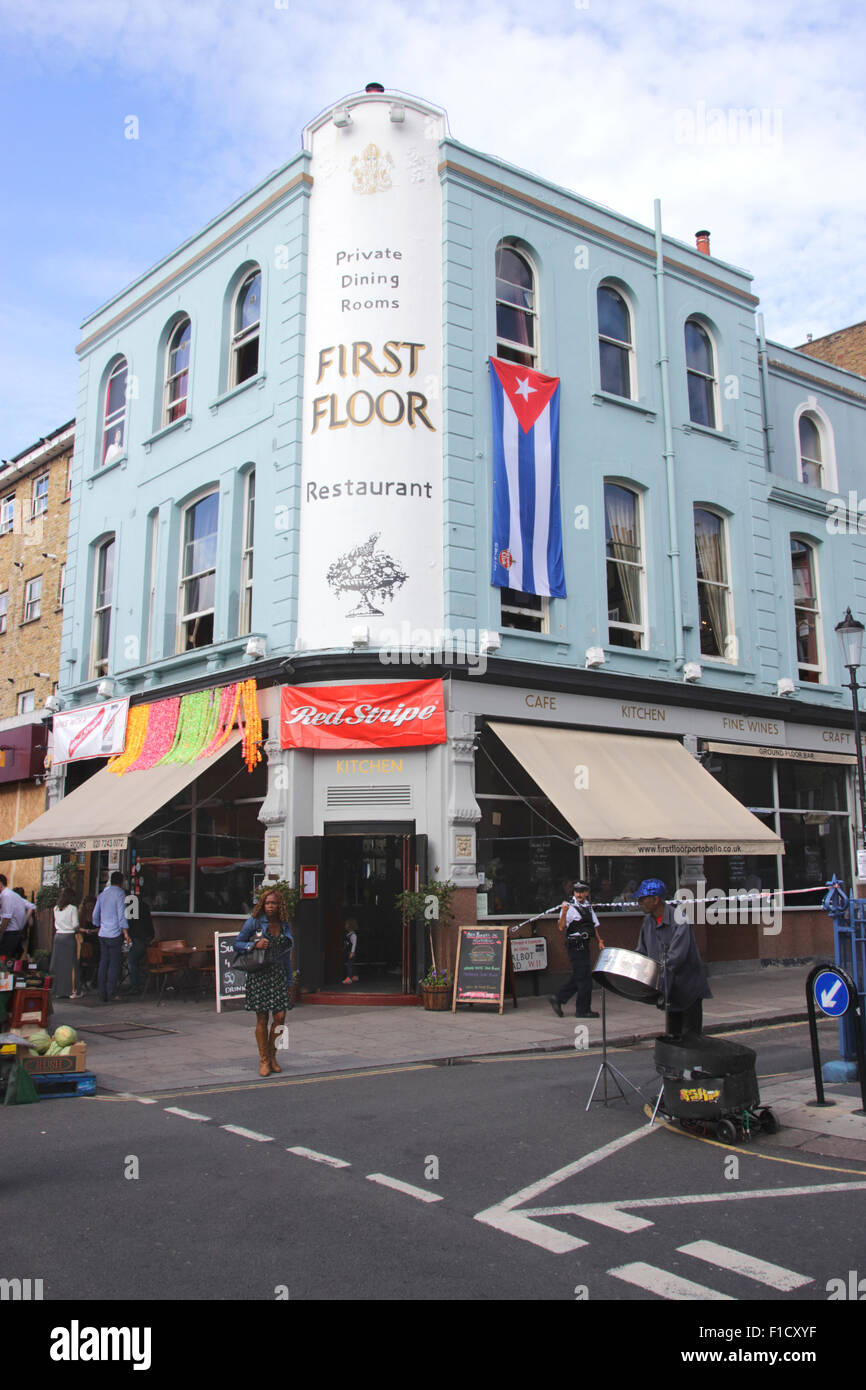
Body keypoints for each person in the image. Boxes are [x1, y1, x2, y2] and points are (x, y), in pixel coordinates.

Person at [634, 877, 712, 1036]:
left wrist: (656, 979)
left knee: (690, 1040)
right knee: (673, 1037)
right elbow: (642, 951)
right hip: (670, 989)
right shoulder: (647, 921)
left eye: (642, 899)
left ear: (656, 899)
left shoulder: (680, 920)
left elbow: (675, 959)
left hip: (688, 988)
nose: (639, 902)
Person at [234, 886, 295, 1077]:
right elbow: (237, 944)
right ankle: (264, 1060)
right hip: (259, 973)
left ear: (279, 906)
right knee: (262, 1018)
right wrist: (254, 944)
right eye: (267, 903)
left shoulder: (284, 925)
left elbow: (286, 956)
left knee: (280, 1018)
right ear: (263, 904)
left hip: (277, 974)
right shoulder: (254, 922)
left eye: (274, 903)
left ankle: (273, 1055)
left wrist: (290, 980)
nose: (270, 906)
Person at [549, 880, 605, 1019]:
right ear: (573, 892)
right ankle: (582, 1010)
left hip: (584, 944)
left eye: (582, 891)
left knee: (581, 976)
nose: (579, 894)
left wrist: (600, 941)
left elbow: (594, 926)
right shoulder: (569, 906)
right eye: (577, 891)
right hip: (575, 945)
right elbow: (561, 927)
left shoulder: (588, 906)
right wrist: (564, 912)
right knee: (585, 979)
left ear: (587, 892)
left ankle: (558, 997)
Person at [92, 872, 131, 1002]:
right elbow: (121, 914)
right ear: (121, 881)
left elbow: (95, 914)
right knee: (114, 964)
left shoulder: (103, 894)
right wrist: (125, 932)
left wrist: (98, 924)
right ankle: (111, 993)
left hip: (102, 933)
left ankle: (101, 992)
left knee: (103, 962)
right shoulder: (119, 894)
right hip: (114, 933)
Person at [49, 888, 82, 999]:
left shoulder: (56, 908)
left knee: (59, 964)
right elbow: (75, 925)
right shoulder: (73, 908)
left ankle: (59, 990)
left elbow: (55, 923)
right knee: (71, 964)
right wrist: (81, 930)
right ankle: (73, 990)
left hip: (58, 936)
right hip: (69, 937)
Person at [0, 875, 36, 959]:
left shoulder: (6, 896)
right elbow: (31, 906)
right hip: (14, 932)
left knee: (3, 959)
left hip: (9, 932)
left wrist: (1, 933)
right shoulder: (12, 895)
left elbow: (6, 918)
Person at [124, 894, 154, 995]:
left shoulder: (132, 907)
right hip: (145, 937)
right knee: (133, 961)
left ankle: (135, 986)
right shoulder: (144, 906)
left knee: (132, 960)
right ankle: (136, 984)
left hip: (139, 938)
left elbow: (130, 923)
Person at [342, 918, 359, 984]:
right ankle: (355, 976)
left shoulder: (353, 935)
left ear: (350, 925)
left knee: (349, 965)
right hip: (349, 952)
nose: (345, 926)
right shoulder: (348, 934)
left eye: (346, 924)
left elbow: (354, 944)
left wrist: (352, 952)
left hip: (351, 952)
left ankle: (349, 978)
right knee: (352, 964)